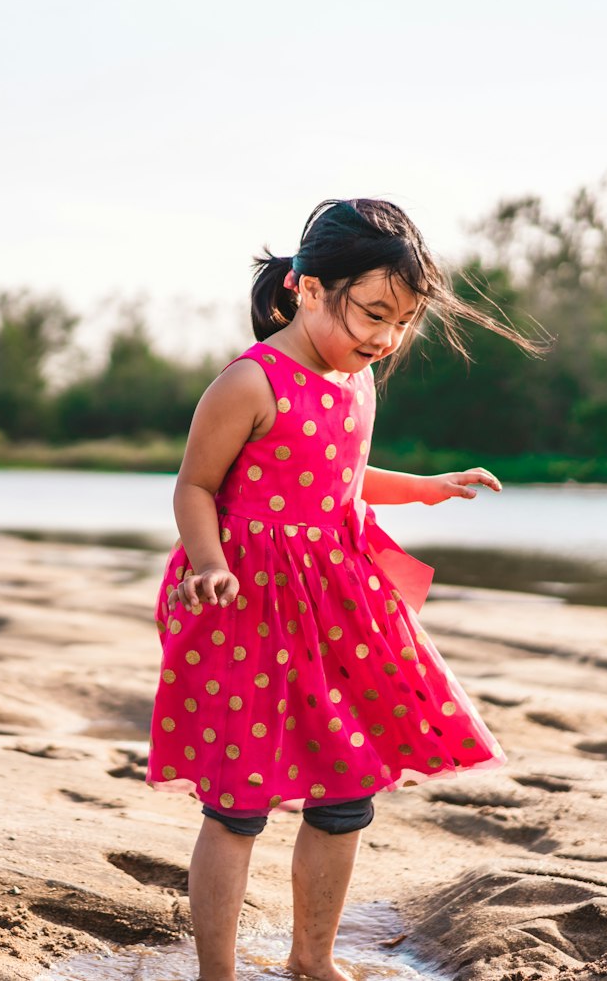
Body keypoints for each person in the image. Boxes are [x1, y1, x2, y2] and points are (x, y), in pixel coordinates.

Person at [150, 198, 538, 981]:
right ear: (307, 287)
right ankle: (216, 974)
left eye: (402, 323)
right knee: (238, 806)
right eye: (372, 314)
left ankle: (312, 958)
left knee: (346, 788)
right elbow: (194, 486)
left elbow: (344, 479)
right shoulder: (249, 383)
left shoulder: (357, 384)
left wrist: (427, 487)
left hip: (335, 609)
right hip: (245, 606)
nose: (384, 338)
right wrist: (211, 562)